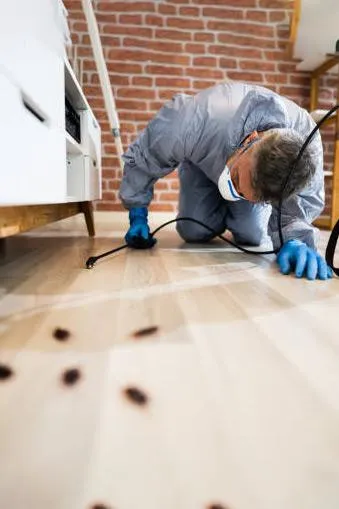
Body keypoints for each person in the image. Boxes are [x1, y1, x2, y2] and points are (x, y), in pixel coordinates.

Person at [119, 80, 332, 281]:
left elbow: (300, 205)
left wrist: (294, 239)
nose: (235, 191)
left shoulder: (307, 149)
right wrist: (137, 213)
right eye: (238, 178)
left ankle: (246, 204)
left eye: (246, 194)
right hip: (202, 166)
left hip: (248, 180)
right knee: (193, 232)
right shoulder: (194, 120)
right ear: (250, 139)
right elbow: (147, 157)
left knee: (254, 235)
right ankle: (221, 207)